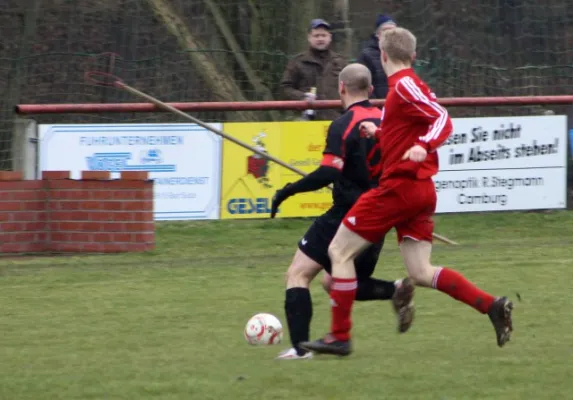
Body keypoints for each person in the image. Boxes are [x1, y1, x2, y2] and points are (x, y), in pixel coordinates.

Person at [300, 28, 514, 356]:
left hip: (399, 188)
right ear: (412, 55)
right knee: (421, 272)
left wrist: (423, 145)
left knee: (339, 252)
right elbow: (407, 128)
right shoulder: (401, 91)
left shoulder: (405, 84)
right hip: (419, 192)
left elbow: (441, 118)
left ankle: (339, 336)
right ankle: (491, 306)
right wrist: (381, 132)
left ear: (383, 55)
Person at [271, 63, 415, 360]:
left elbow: (327, 173)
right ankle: (396, 289)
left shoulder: (343, 124)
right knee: (337, 281)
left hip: (347, 215)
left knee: (298, 274)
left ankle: (300, 350)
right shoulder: (386, 121)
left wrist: (287, 191)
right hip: (380, 214)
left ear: (341, 88)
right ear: (371, 89)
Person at [279, 19, 347, 121]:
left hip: (336, 119)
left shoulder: (341, 62)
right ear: (309, 38)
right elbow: (285, 88)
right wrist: (302, 97)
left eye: (323, 35)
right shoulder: (297, 62)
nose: (320, 39)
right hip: (305, 119)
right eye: (316, 36)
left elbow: (351, 88)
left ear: (330, 38)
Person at [357, 14, 397, 99]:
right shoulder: (366, 55)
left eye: (393, 31)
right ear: (377, 34)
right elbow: (362, 86)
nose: (390, 34)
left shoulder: (400, 53)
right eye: (386, 30)